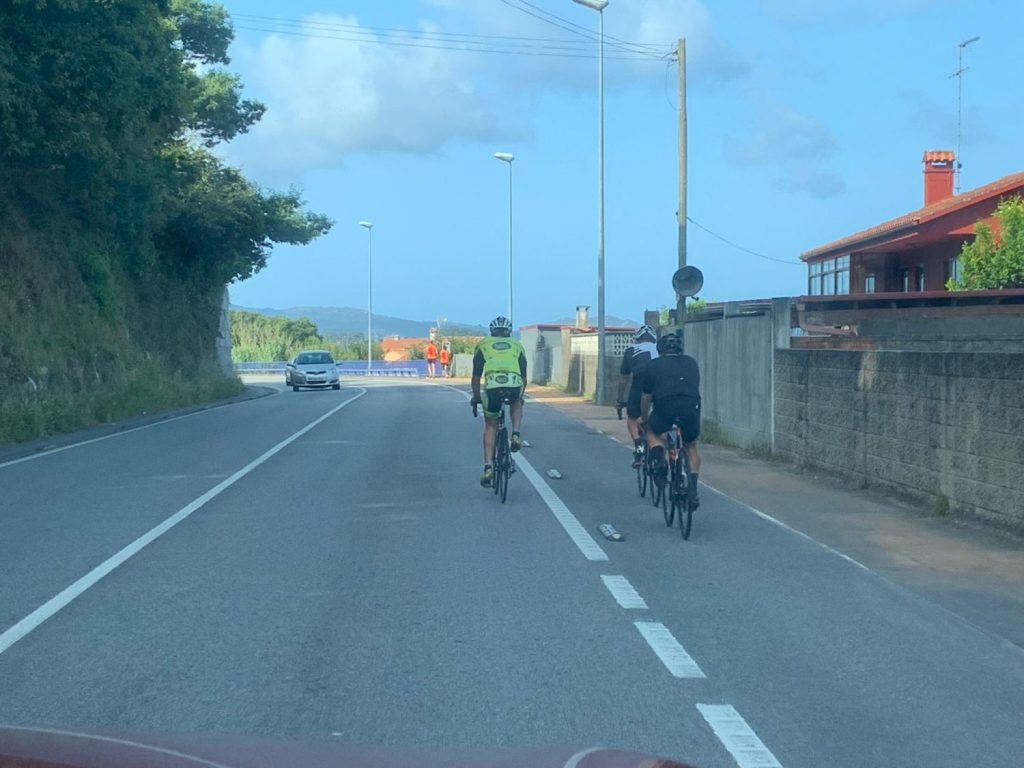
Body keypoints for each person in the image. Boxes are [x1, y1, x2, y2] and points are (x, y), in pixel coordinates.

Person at [640, 331, 702, 511]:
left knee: (653, 432)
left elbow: (646, 397)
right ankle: (692, 489)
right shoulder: (691, 363)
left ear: (660, 350)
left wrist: (644, 419)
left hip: (665, 408)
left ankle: (660, 458)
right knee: (690, 445)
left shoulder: (654, 365)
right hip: (690, 408)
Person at [470, 316, 527, 488]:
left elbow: (476, 377)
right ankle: (516, 432)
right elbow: (524, 377)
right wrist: (521, 394)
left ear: (491, 331)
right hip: (514, 382)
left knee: (490, 425)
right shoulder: (517, 345)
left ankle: (488, 467)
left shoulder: (483, 344)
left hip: (493, 385)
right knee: (517, 400)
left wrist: (476, 397)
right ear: (509, 332)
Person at [616, 325, 659, 468]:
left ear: (637, 339)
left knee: (632, 419)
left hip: (639, 388)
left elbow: (624, 378)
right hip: (660, 387)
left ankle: (639, 446)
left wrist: (620, 399)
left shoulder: (631, 351)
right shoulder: (660, 349)